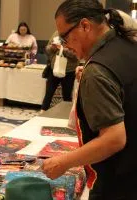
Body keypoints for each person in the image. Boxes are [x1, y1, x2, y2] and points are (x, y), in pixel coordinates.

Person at [42, 0, 137, 199]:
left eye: (65, 36)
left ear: (85, 25)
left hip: (118, 182)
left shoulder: (97, 71)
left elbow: (114, 139)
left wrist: (63, 162)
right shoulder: (127, 44)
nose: (64, 44)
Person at [39, 31, 79, 114]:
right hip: (54, 68)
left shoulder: (76, 34)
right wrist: (52, 48)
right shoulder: (56, 33)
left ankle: (66, 114)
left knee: (67, 95)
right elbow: (47, 49)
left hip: (69, 70)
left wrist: (62, 49)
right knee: (48, 93)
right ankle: (42, 112)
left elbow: (76, 55)